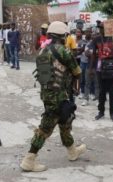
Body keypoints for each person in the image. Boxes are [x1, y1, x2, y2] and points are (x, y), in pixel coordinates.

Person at [20, 21, 86, 172]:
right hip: (60, 95)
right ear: (63, 35)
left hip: (47, 94)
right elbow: (77, 72)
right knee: (45, 128)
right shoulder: (64, 51)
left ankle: (72, 151)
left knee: (65, 122)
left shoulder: (43, 51)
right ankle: (29, 159)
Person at [92, 22, 113, 122]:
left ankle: (112, 113)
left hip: (112, 67)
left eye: (103, 28)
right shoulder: (96, 39)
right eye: (100, 28)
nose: (101, 29)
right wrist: (91, 68)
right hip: (100, 68)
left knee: (112, 91)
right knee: (102, 91)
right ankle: (101, 112)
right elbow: (93, 54)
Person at [82, 31, 99, 106]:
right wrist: (94, 54)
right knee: (87, 83)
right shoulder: (88, 44)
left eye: (95, 35)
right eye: (92, 35)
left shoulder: (100, 45)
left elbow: (100, 54)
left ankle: (97, 99)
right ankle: (86, 99)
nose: (93, 36)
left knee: (97, 84)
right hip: (89, 66)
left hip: (98, 67)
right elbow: (86, 53)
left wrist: (92, 54)